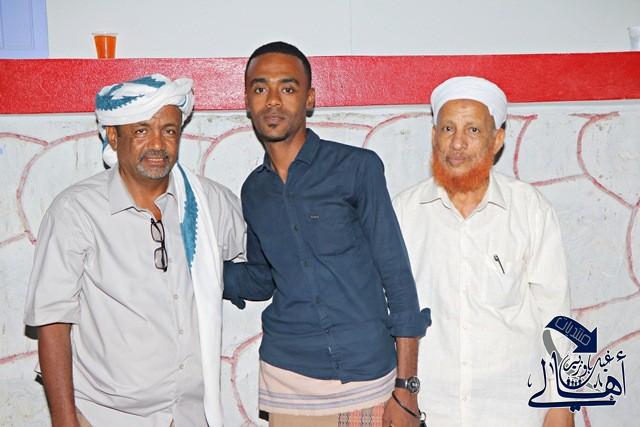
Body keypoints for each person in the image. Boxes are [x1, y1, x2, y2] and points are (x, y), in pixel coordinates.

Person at [223, 41, 430, 427]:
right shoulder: (254, 190)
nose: (273, 100)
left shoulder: (357, 168)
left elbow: (398, 279)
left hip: (367, 376)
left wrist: (407, 387)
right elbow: (261, 279)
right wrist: (195, 269)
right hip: (287, 379)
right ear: (247, 101)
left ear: (309, 99)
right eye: (260, 88)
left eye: (287, 88)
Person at [24, 74, 245, 427]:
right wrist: (64, 420)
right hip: (104, 415)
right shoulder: (76, 211)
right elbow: (52, 320)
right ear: (114, 137)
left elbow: (257, 263)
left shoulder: (210, 204)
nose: (158, 144)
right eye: (142, 130)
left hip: (190, 415)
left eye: (169, 131)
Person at [392, 76, 574, 427]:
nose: (457, 143)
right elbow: (388, 312)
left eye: (473, 130)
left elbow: (555, 313)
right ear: (434, 136)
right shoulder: (403, 212)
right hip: (430, 407)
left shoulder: (529, 209)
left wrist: (561, 405)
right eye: (448, 128)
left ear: (497, 139)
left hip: (515, 409)